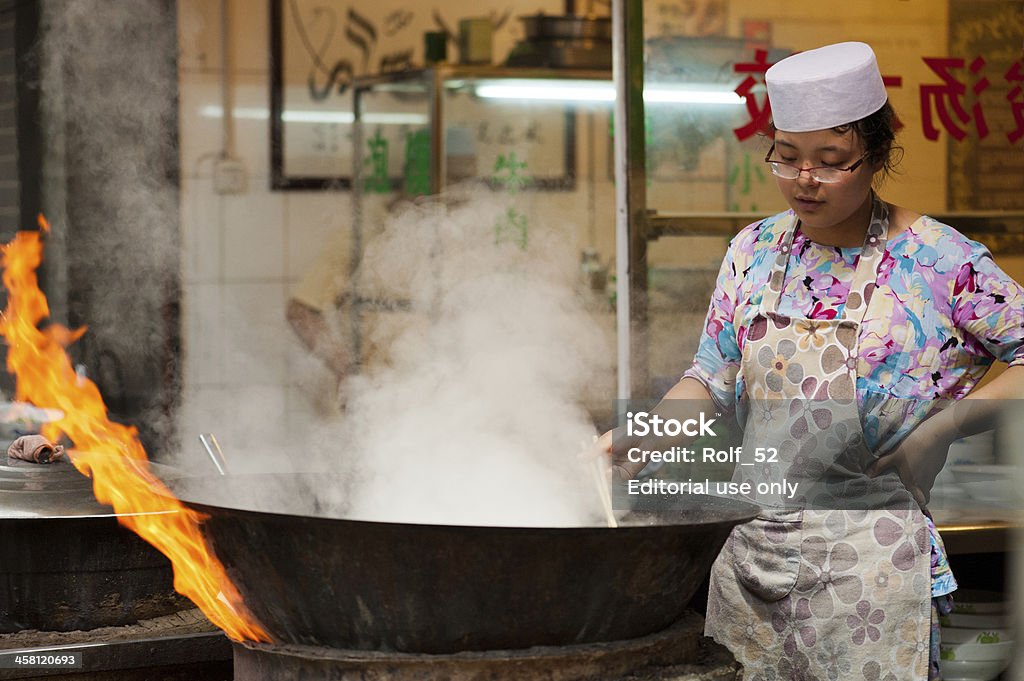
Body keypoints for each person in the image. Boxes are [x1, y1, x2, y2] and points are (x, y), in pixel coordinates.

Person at [596, 41, 1024, 680]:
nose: (804, 179)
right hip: (748, 555)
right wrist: (644, 436)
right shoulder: (755, 250)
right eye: (787, 157)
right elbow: (709, 376)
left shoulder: (938, 262)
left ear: (876, 156)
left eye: (831, 162)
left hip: (870, 570)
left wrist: (943, 429)